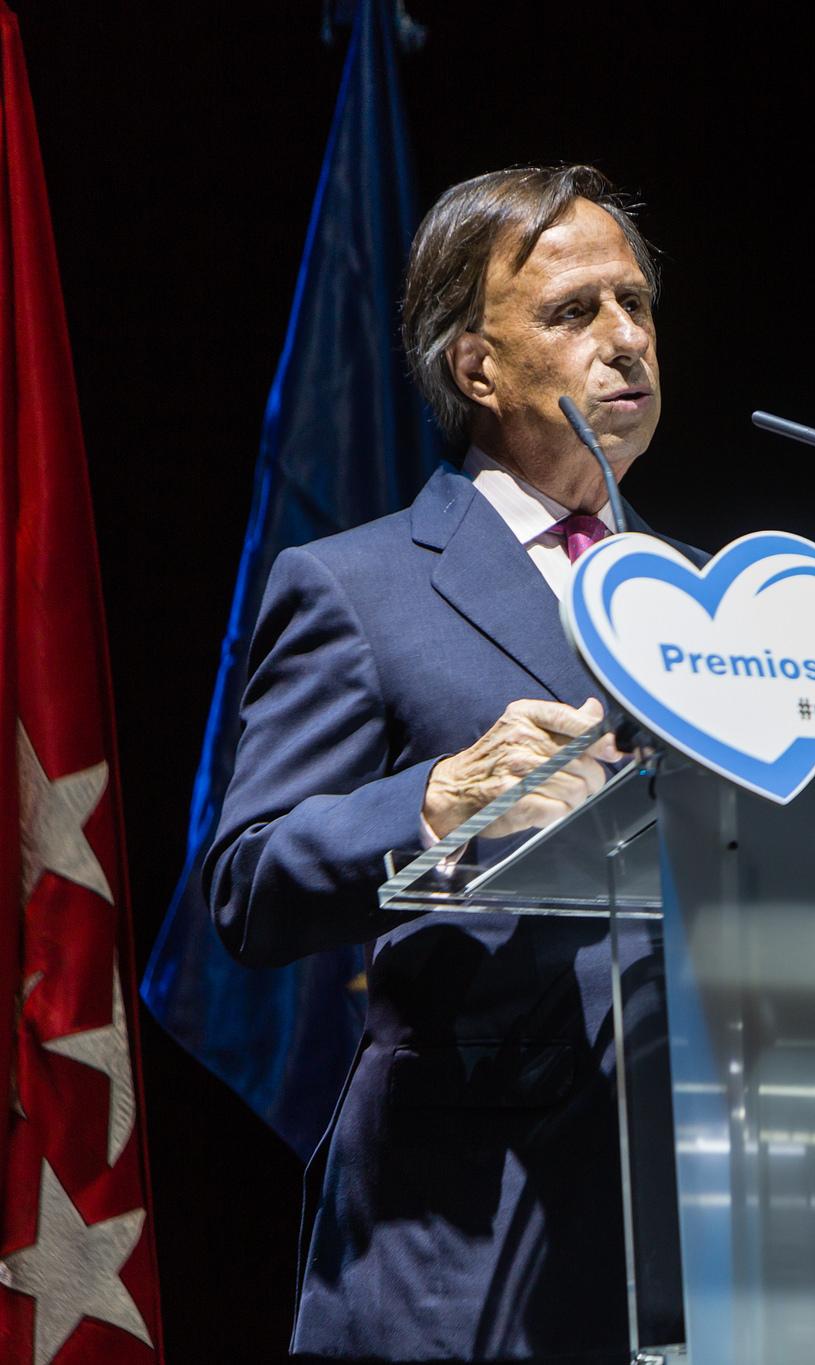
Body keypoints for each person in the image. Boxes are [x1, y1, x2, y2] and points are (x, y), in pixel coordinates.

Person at [206, 165, 696, 1363]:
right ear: (477, 368)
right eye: (576, 312)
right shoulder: (358, 586)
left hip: (715, 1217)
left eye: (635, 305)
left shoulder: (708, 597)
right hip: (470, 1234)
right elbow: (246, 885)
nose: (626, 340)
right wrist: (434, 797)